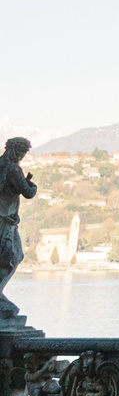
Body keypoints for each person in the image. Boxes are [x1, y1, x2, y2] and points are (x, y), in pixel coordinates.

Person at [0, 137, 35, 324]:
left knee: (10, 258)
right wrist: (32, 185)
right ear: (17, 151)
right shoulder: (13, 169)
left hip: (6, 220)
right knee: (12, 258)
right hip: (5, 222)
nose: (22, 156)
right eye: (23, 152)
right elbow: (28, 192)